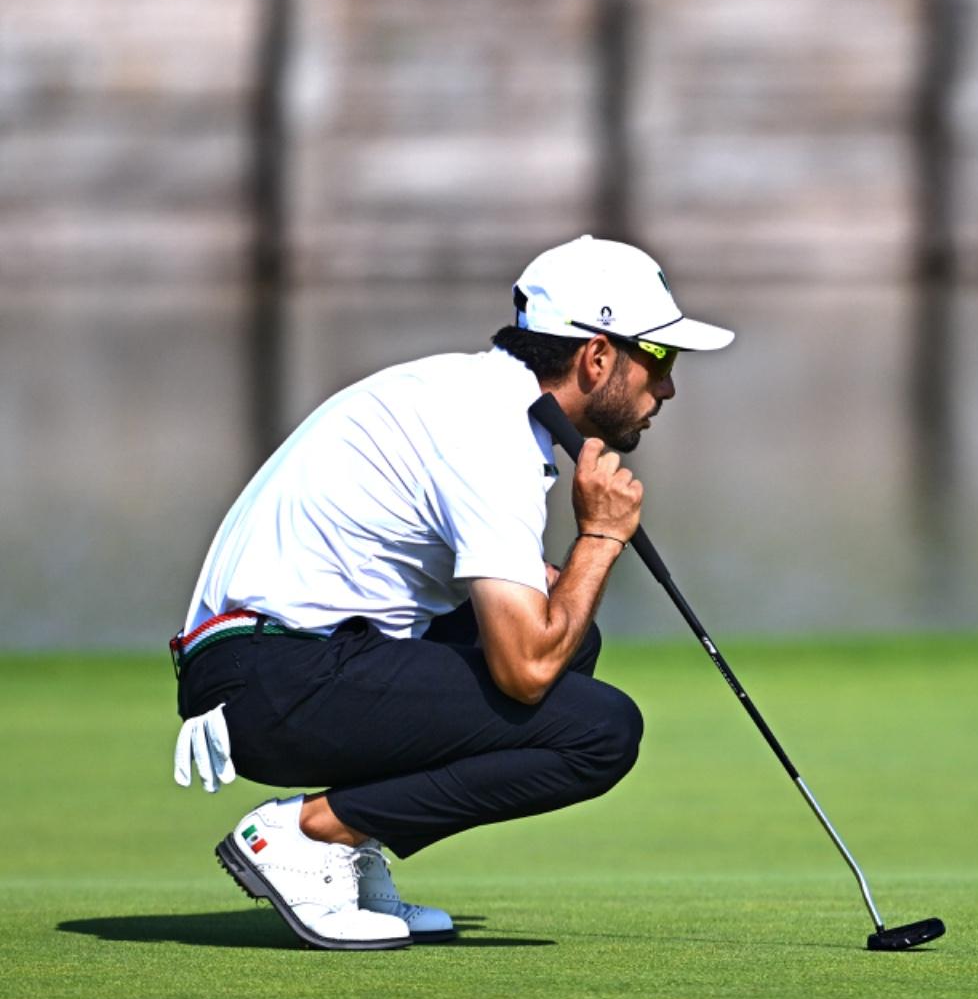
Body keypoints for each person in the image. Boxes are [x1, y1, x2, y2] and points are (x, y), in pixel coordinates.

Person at [169, 235, 734, 950]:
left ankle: (346, 845)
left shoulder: (476, 395)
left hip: (282, 662)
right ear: (596, 357)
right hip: (269, 677)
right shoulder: (491, 432)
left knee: (572, 636)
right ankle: (309, 834)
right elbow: (523, 671)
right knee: (599, 731)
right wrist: (600, 537)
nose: (669, 388)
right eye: (659, 360)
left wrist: (558, 577)